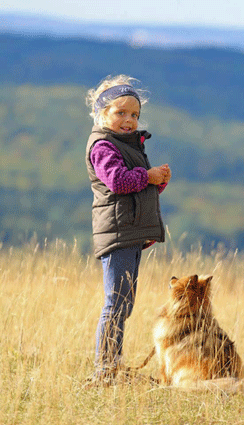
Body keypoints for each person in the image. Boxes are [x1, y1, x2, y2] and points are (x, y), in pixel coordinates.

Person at [85, 74, 171, 385]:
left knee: (123, 302)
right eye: (120, 112)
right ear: (102, 112)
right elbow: (119, 182)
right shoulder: (103, 146)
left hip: (129, 231)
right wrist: (148, 176)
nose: (129, 120)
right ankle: (105, 371)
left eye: (134, 114)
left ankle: (112, 367)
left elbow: (133, 189)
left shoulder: (124, 144)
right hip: (118, 232)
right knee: (116, 302)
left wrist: (155, 182)